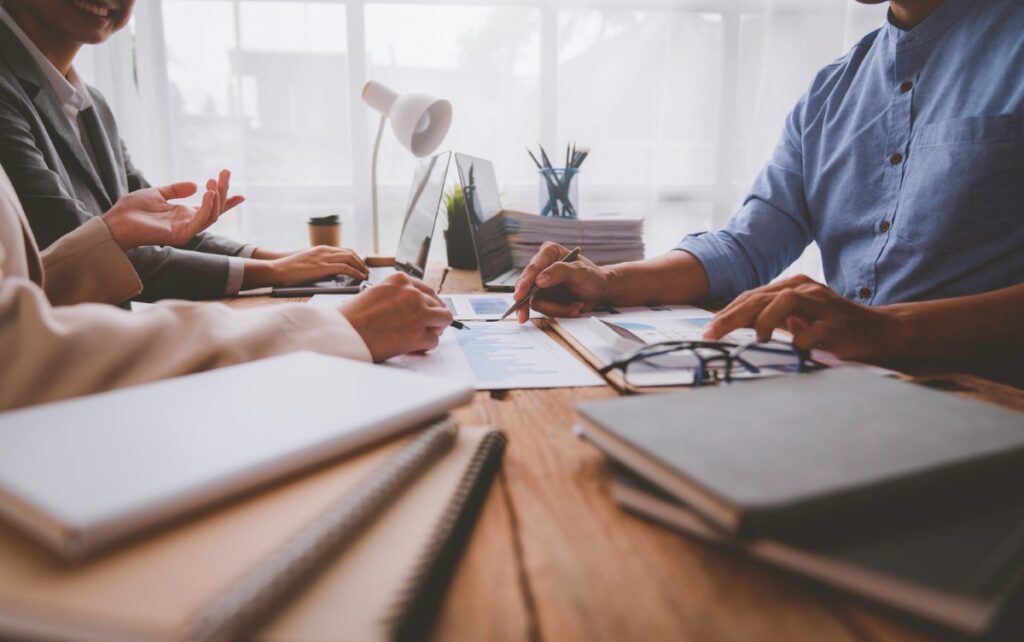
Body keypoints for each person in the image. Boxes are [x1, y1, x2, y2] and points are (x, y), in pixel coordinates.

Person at [513, 0, 1024, 371]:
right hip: (849, 389)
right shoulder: (831, 91)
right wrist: (608, 282)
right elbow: (745, 246)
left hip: (992, 404)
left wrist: (889, 329)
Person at [0, 161, 453, 411]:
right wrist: (331, 326)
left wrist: (105, 236)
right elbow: (16, 351)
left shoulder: (91, 102)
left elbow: (20, 288)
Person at [0, 0, 369, 301]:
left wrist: (280, 258)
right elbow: (88, 250)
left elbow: (158, 227)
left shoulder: (89, 102)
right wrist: (273, 272)